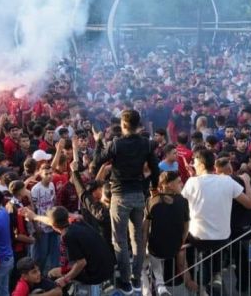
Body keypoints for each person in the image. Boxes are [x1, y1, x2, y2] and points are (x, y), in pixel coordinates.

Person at [92, 109, 159, 293]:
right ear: (139, 125)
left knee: (119, 240)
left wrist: (98, 141)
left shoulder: (116, 144)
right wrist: (152, 189)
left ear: (123, 125)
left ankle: (125, 281)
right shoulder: (146, 144)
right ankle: (136, 278)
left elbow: (96, 161)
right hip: (139, 195)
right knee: (137, 238)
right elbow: (155, 169)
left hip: (120, 196)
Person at [181, 152, 251, 292]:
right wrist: (246, 182)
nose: (193, 166)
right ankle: (214, 276)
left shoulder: (192, 182)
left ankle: (196, 281)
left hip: (198, 238)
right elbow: (250, 204)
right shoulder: (227, 180)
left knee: (187, 247)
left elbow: (182, 204)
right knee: (210, 263)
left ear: (201, 165)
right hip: (222, 238)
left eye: (195, 164)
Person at [22, 206, 114, 295]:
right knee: (64, 269)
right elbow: (52, 221)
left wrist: (65, 279)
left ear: (54, 226)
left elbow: (81, 263)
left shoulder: (68, 236)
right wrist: (35, 216)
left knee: (52, 273)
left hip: (96, 274)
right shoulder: (77, 221)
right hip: (107, 267)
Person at [142, 171, 189, 296]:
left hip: (156, 249)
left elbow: (145, 229)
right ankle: (159, 285)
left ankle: (155, 286)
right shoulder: (183, 201)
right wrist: (180, 242)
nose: (182, 184)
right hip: (174, 248)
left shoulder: (151, 201)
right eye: (178, 182)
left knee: (144, 262)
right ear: (168, 185)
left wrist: (143, 246)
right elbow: (186, 227)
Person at [30, 164, 58, 272]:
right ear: (41, 174)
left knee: (54, 253)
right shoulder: (36, 189)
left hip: (52, 224)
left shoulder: (51, 185)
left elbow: (53, 202)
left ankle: (52, 275)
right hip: (41, 226)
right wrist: (36, 226)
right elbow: (33, 209)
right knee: (41, 255)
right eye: (46, 174)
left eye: (51, 173)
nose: (49, 176)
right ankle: (37, 275)